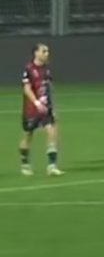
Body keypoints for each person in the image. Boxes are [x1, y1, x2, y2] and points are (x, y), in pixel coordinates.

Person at [19, 43, 63, 177]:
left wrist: (52, 107)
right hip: (31, 109)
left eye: (47, 51)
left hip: (45, 108)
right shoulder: (29, 68)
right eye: (44, 51)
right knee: (28, 135)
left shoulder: (46, 70)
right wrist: (36, 102)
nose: (47, 54)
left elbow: (48, 88)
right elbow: (26, 89)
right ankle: (25, 164)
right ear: (36, 53)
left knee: (51, 131)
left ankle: (52, 166)